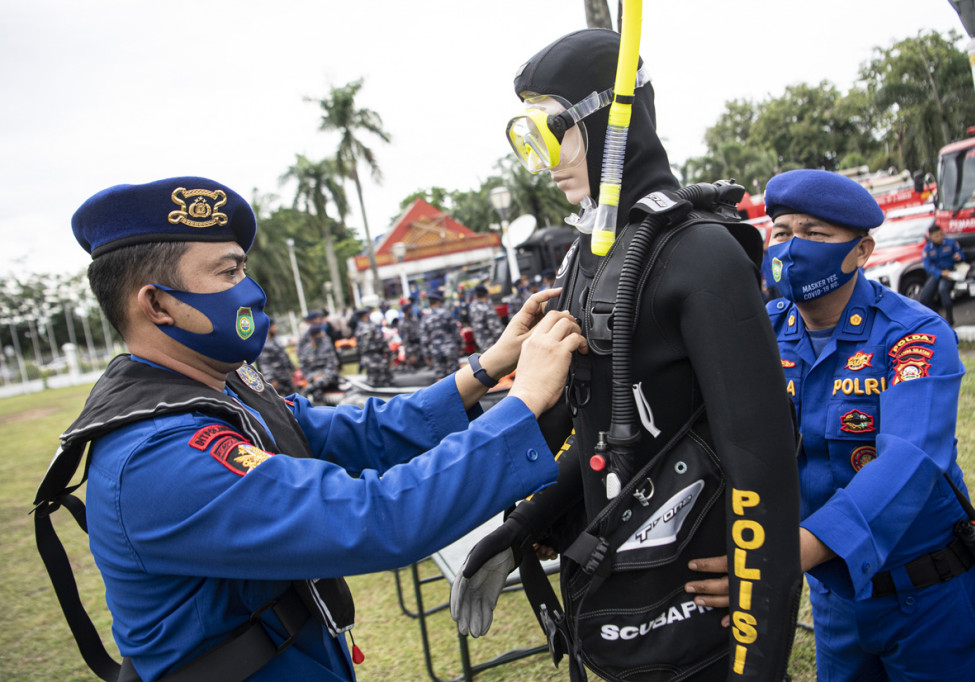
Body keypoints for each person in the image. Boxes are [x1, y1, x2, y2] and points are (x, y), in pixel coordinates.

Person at [33, 176, 586, 682]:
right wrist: (525, 400)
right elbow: (375, 518)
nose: (249, 291)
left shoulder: (226, 393)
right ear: (156, 304)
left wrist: (488, 365)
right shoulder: (160, 456)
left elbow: (363, 434)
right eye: (228, 273)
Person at [450, 29, 802, 682]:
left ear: (612, 125)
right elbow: (591, 426)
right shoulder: (590, 254)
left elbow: (764, 474)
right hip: (615, 606)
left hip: (696, 624)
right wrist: (522, 526)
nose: (545, 159)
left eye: (553, 132)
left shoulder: (701, 255)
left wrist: (759, 661)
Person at [761, 168, 975, 681]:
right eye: (782, 233)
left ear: (863, 251)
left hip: (930, 596)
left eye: (815, 234)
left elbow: (910, 458)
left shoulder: (913, 333)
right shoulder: (763, 330)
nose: (793, 248)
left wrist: (786, 555)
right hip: (836, 601)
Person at [918, 223, 965, 325]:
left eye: (940, 234)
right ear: (931, 237)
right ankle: (937, 317)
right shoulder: (927, 249)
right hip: (937, 273)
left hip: (950, 271)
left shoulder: (951, 243)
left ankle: (949, 318)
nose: (939, 237)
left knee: (943, 290)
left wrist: (959, 256)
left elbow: (961, 254)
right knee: (924, 297)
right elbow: (927, 266)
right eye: (936, 236)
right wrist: (940, 273)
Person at [298, 311, 340, 402]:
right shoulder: (306, 349)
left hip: (327, 375)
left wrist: (323, 375)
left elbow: (333, 363)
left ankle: (308, 389)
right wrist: (313, 377)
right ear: (312, 336)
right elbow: (304, 367)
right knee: (317, 392)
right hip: (315, 377)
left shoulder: (326, 344)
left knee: (324, 380)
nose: (320, 336)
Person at [421, 289, 462, 381]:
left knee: (441, 379)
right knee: (455, 377)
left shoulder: (426, 318)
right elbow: (455, 331)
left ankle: (444, 395)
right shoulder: (447, 314)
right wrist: (461, 345)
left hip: (436, 351)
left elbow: (424, 339)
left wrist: (427, 355)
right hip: (450, 349)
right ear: (439, 301)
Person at [354, 306, 393, 387]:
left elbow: (358, 346)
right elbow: (381, 341)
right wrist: (389, 354)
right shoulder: (372, 326)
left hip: (366, 358)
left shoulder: (358, 329)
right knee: (385, 381)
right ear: (366, 315)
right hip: (376, 358)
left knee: (372, 382)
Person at [257, 315, 295, 394]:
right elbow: (264, 364)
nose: (276, 328)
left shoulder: (276, 340)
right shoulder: (264, 344)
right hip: (277, 381)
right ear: (268, 327)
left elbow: (284, 356)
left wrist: (291, 368)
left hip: (286, 377)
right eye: (274, 326)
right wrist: (271, 380)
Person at [468, 284, 505, 352]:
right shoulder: (487, 308)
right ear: (487, 294)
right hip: (493, 345)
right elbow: (495, 328)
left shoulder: (473, 308)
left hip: (482, 344)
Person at [397, 301, 424, 368]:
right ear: (406, 311)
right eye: (410, 309)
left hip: (420, 348)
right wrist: (411, 354)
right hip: (411, 350)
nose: (412, 311)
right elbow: (404, 340)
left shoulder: (415, 320)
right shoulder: (402, 323)